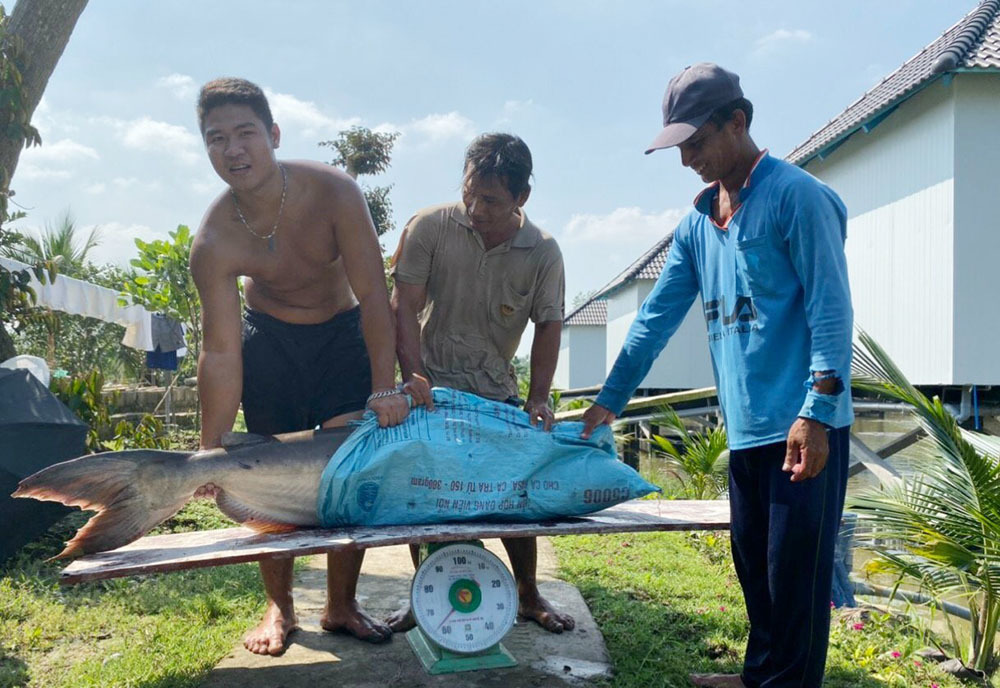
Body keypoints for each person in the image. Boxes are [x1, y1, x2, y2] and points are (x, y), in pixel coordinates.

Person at [580, 64, 853, 688]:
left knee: (795, 577)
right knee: (756, 567)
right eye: (680, 148)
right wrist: (610, 402)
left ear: (739, 121)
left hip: (803, 425)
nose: (687, 161)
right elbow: (654, 318)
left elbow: (831, 311)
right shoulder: (698, 222)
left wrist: (816, 411)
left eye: (695, 143)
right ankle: (761, 676)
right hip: (748, 428)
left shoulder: (797, 197)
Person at [189, 77, 410, 655]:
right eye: (217, 139)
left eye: (245, 134)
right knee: (258, 468)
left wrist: (384, 387)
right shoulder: (213, 239)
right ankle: (279, 608)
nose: (233, 150)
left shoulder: (335, 192)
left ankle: (340, 603)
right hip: (270, 343)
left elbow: (374, 300)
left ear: (273, 135)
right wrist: (210, 444)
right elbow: (219, 350)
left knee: (348, 471)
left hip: (342, 336)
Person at [389, 132, 576, 634]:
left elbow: (549, 325)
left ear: (522, 198)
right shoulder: (431, 226)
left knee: (513, 497)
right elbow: (402, 305)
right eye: (469, 192)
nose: (474, 207)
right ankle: (422, 599)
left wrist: (539, 397)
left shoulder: (543, 252)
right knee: (425, 496)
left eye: (490, 199)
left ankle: (529, 594)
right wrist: (412, 374)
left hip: (495, 392)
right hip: (431, 388)